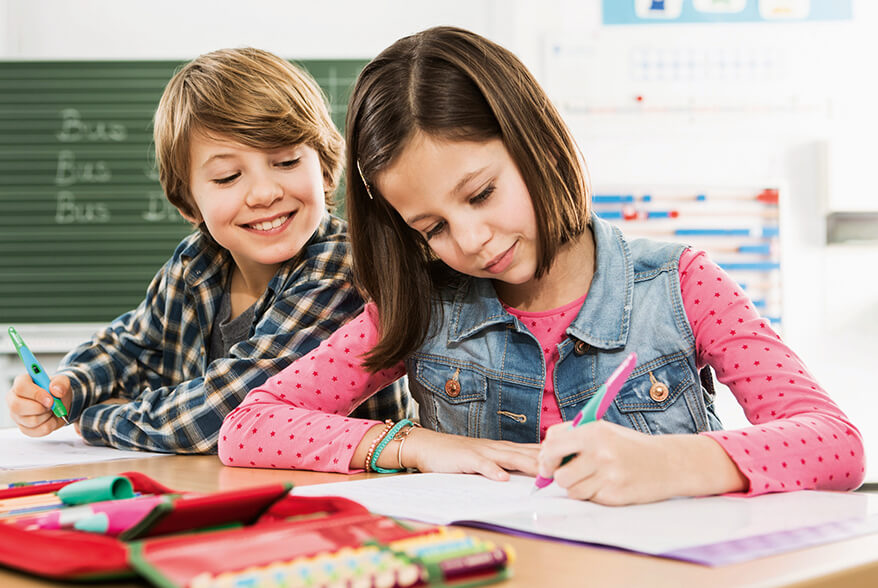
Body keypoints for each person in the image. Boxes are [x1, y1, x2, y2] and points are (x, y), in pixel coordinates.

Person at [219, 28, 864, 504]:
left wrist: (673, 464)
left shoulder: (681, 284)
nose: (470, 240)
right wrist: (414, 445)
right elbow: (247, 428)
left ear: (535, 142)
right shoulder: (421, 306)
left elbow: (837, 444)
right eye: (433, 227)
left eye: (480, 194)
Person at [6, 48, 409, 453]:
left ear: (324, 169)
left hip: (334, 489)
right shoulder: (195, 263)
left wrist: (95, 418)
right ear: (188, 204)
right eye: (227, 176)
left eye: (286, 162)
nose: (266, 192)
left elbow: (216, 416)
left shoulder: (339, 268)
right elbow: (128, 347)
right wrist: (68, 388)